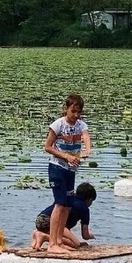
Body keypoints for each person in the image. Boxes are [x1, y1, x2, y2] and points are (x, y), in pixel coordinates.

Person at [44, 94, 91, 254]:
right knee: (59, 204)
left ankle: (58, 241)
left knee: (67, 205)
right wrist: (67, 156)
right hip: (57, 168)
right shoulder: (58, 125)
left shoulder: (81, 125)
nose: (76, 115)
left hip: (71, 170)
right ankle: (52, 243)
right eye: (73, 111)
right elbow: (48, 147)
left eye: (79, 112)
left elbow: (86, 137)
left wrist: (87, 150)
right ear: (66, 109)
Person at [31, 182, 97, 251]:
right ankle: (44, 236)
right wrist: (91, 236)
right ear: (90, 200)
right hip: (49, 221)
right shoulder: (84, 208)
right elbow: (85, 235)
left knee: (68, 239)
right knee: (76, 244)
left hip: (41, 219)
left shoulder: (68, 198)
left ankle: (39, 235)